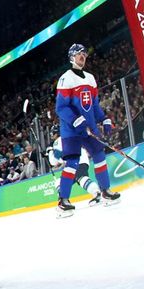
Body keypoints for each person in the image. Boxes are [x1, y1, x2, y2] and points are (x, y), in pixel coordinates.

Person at [55, 44, 122, 217]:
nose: (83, 57)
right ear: (71, 57)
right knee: (72, 162)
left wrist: (104, 119)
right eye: (79, 54)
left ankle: (105, 191)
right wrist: (76, 121)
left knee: (99, 155)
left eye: (84, 54)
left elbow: (94, 105)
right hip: (71, 130)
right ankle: (63, 201)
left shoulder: (90, 78)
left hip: (90, 128)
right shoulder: (65, 79)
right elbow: (61, 108)